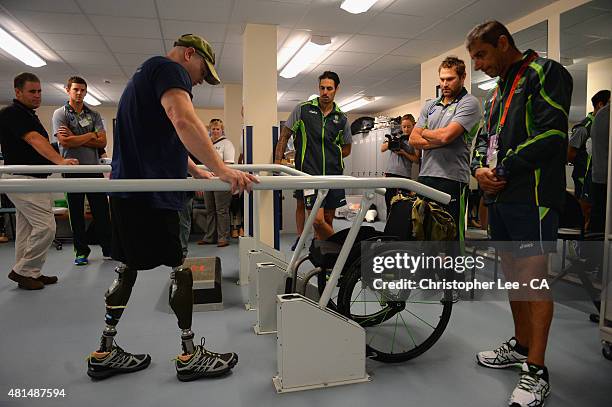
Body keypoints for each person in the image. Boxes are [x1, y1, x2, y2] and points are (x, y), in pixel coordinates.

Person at [87, 34, 257, 382]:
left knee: (128, 266)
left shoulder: (143, 76)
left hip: (128, 192)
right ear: (188, 55)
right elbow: (182, 120)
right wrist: (223, 169)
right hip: (153, 197)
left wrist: (195, 168)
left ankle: (104, 350)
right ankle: (189, 354)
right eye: (201, 72)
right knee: (181, 268)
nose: (198, 80)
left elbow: (158, 137)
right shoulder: (168, 69)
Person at [467, 20, 573, 407]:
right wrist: (480, 170)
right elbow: (483, 141)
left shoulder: (544, 72)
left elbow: (552, 134)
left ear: (503, 43)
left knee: (533, 278)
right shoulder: (497, 93)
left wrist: (503, 169)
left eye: (481, 54)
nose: (478, 64)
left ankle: (536, 370)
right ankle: (521, 345)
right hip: (501, 197)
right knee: (512, 273)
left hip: (533, 195)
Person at [0, 73, 79, 290]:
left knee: (27, 229)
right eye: (32, 91)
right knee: (46, 228)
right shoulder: (12, 113)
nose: (37, 96)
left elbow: (41, 143)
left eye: (39, 91)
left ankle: (29, 273)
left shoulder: (28, 114)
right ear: (18, 92)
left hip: (33, 179)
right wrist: (60, 162)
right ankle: (23, 271)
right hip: (24, 180)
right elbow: (34, 140)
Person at [409, 56, 482, 244]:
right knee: (422, 235)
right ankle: (427, 273)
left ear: (463, 77)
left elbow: (446, 136)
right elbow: (413, 139)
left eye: (450, 79)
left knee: (449, 238)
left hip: (452, 180)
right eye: (442, 79)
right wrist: (438, 138)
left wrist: (425, 133)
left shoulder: (469, 103)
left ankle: (453, 275)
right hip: (426, 177)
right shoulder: (430, 105)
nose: (445, 84)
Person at [274, 71, 352, 243]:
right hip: (309, 175)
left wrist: (334, 157)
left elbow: (347, 148)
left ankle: (324, 257)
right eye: (322, 88)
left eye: (329, 88)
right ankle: (341, 251)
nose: (325, 92)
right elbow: (284, 136)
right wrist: (277, 165)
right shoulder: (303, 110)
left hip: (334, 175)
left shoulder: (342, 118)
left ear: (336, 89)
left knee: (328, 220)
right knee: (317, 221)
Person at [52, 76, 112, 265]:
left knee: (101, 212)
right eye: (75, 89)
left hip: (93, 168)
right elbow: (64, 141)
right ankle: (81, 252)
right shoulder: (60, 114)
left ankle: (109, 249)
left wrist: (76, 136)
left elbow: (103, 142)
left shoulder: (93, 114)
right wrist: (90, 135)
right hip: (72, 169)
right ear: (68, 90)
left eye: (82, 90)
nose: (79, 93)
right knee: (76, 214)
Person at [568, 90, 610, 229]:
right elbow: (570, 153)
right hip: (584, 177)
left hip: (597, 177)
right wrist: (581, 169)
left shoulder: (606, 126)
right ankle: (579, 246)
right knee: (584, 212)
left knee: (596, 213)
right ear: (600, 104)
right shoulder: (584, 127)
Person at [198, 118, 235, 247]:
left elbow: (229, 164)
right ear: (210, 130)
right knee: (210, 210)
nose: (215, 131)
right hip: (208, 180)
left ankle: (223, 238)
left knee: (221, 210)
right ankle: (210, 237)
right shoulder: (206, 143)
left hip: (221, 181)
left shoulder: (227, 144)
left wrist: (218, 172)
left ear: (222, 130)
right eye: (213, 129)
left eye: (217, 129)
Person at [381, 113, 420, 214]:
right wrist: (392, 142)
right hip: (390, 174)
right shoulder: (397, 135)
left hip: (404, 176)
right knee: (389, 202)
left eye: (408, 126)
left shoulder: (414, 139)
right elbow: (382, 148)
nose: (406, 129)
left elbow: (416, 160)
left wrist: (404, 152)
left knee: (404, 204)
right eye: (404, 127)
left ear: (414, 125)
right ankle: (389, 227)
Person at [589, 95, 610, 234]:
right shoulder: (606, 115)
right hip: (605, 181)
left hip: (599, 178)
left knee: (598, 223)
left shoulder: (601, 115)